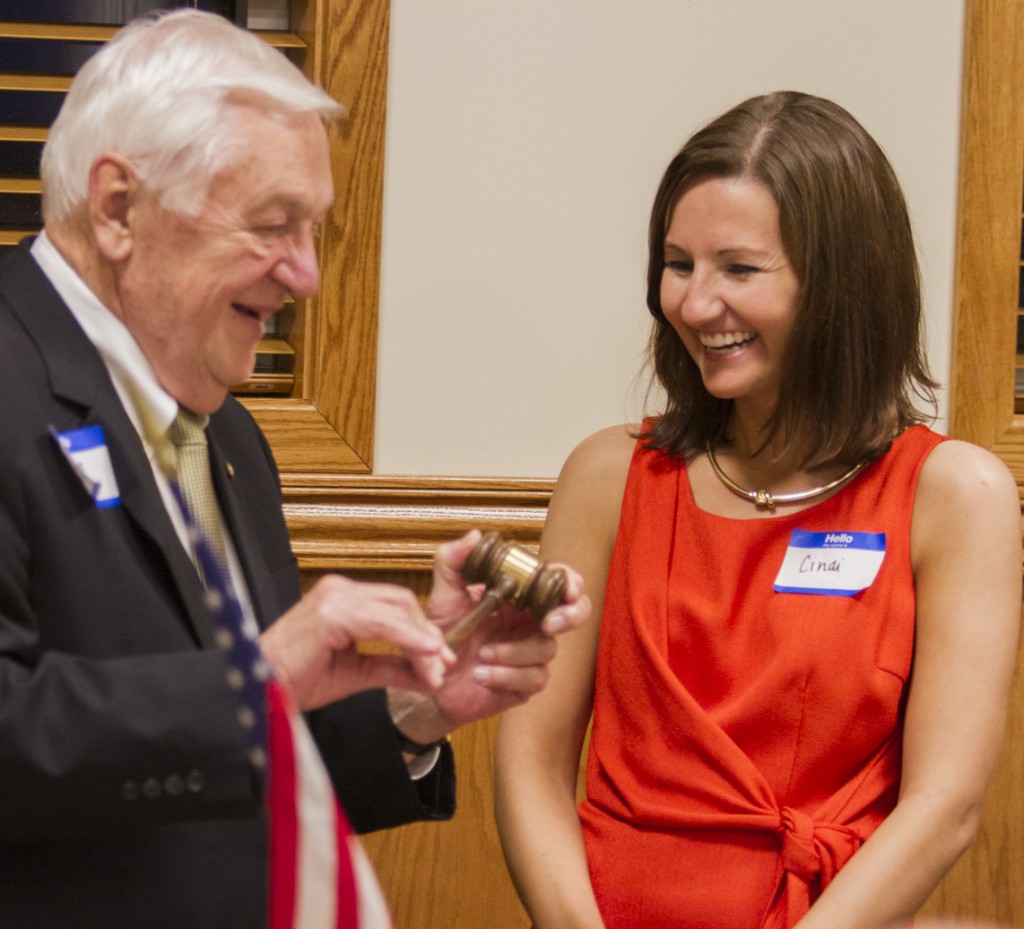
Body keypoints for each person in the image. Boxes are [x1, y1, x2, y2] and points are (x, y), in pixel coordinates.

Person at [0, 10, 590, 929]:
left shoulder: (230, 437)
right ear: (119, 208)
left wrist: (410, 701)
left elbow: (238, 762)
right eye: (274, 226)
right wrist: (258, 675)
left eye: (313, 230)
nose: (308, 275)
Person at [494, 91, 1021, 929]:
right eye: (678, 264)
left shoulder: (958, 497)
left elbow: (945, 805)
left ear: (845, 285)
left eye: (739, 269)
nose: (696, 304)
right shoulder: (606, 477)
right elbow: (528, 762)